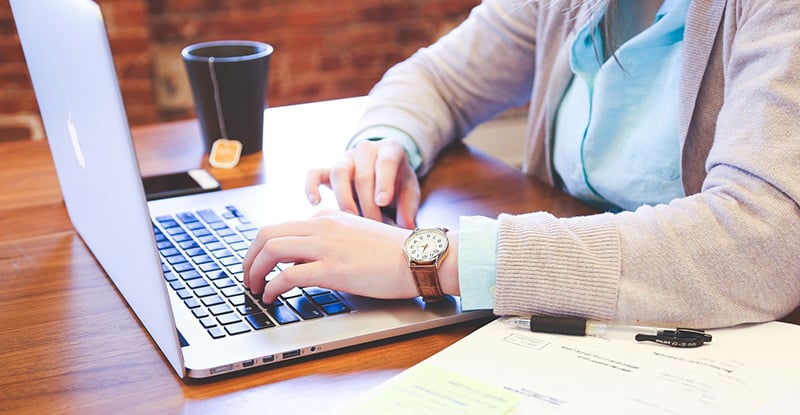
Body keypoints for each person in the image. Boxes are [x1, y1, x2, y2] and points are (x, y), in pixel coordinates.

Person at [243, 0, 800, 329]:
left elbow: (764, 239)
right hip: (578, 324)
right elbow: (439, 78)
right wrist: (386, 143)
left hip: (719, 342)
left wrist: (430, 259)